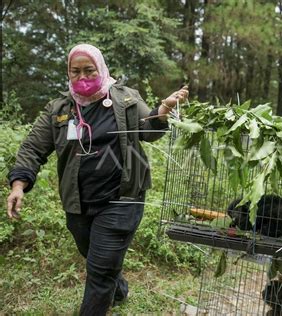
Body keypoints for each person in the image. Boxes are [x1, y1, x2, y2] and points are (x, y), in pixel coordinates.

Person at [6, 43, 189, 315]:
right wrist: (18, 185)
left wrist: (162, 109)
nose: (82, 78)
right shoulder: (59, 109)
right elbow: (33, 147)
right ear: (68, 74)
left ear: (101, 68)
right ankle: (119, 289)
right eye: (75, 72)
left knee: (100, 269)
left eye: (89, 71)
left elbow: (147, 131)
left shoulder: (125, 99)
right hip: (78, 202)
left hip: (122, 198)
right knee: (94, 256)